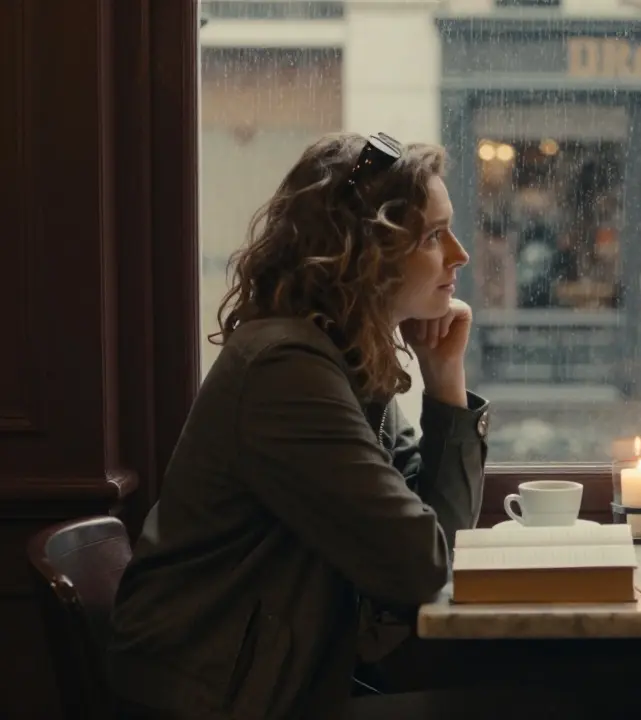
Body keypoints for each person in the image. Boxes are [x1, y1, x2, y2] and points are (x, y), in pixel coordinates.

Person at [108, 132, 489, 719]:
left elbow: (440, 539)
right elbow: (421, 566)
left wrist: (444, 379)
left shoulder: (343, 356)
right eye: (435, 236)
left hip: (283, 682)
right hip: (225, 701)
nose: (459, 255)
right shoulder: (287, 370)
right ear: (367, 251)